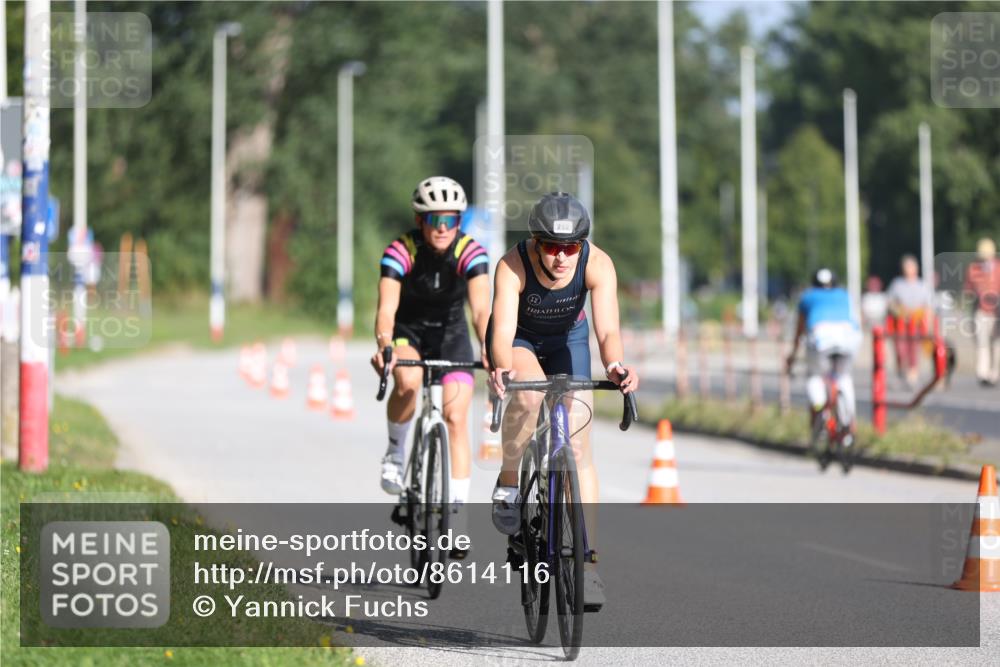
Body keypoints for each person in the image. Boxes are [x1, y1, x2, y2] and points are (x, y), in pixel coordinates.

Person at [486, 191, 639, 610]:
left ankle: (587, 567)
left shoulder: (598, 263)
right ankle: (511, 481)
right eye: (551, 246)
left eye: (570, 247)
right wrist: (502, 367)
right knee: (530, 394)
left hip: (568, 338)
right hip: (519, 338)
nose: (561, 257)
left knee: (576, 444)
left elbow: (607, 331)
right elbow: (500, 331)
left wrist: (615, 366)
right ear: (536, 243)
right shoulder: (511, 266)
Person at [371, 177, 491, 551]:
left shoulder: (471, 252)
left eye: (451, 219)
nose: (442, 227)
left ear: (459, 222)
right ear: (420, 220)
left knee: (456, 416)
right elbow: (386, 309)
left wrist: (489, 345)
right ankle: (395, 451)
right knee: (408, 381)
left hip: (451, 333)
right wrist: (385, 345)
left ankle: (456, 515)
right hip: (409, 332)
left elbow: (482, 309)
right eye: (434, 218)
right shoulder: (401, 250)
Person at [785, 268, 861, 445]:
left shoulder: (807, 297)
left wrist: (793, 356)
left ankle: (820, 412)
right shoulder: (844, 294)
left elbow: (799, 331)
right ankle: (848, 424)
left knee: (815, 376)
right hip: (847, 339)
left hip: (820, 339)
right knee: (843, 377)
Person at [886, 255, 934, 387]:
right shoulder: (897, 284)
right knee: (901, 349)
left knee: (914, 349)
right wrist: (900, 311)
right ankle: (902, 371)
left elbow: (928, 306)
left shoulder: (922, 286)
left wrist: (928, 325)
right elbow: (890, 303)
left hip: (917, 323)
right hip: (900, 324)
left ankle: (912, 374)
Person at [964, 238, 1000, 386]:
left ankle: (994, 373)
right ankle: (982, 373)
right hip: (980, 311)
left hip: (997, 311)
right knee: (982, 343)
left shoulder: (998, 268)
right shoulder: (973, 268)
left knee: (997, 344)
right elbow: (968, 289)